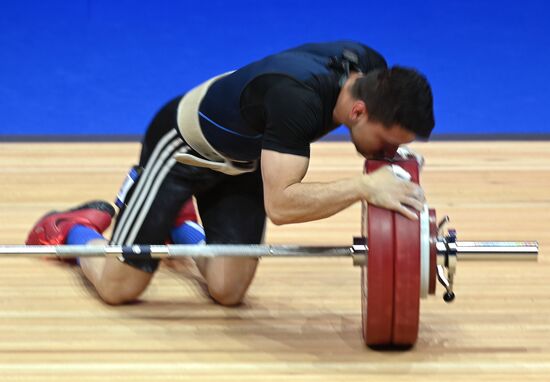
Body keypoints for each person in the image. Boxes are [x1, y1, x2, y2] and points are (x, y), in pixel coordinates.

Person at [26, 40, 435, 306]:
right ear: (358, 111)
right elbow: (281, 205)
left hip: (244, 161)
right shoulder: (297, 99)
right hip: (182, 151)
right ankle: (73, 230)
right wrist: (365, 186)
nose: (392, 152)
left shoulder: (372, 72)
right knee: (118, 290)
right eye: (386, 141)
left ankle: (180, 224)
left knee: (228, 291)